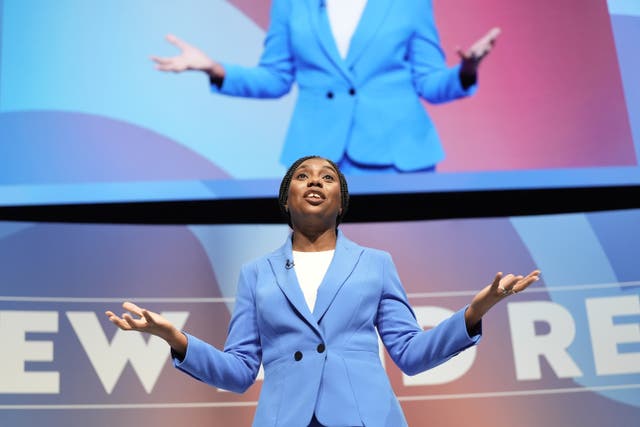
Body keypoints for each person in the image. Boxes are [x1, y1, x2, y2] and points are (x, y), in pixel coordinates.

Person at [106, 155, 540, 427]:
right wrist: (176, 339)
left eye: (327, 177)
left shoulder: (375, 263)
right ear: (286, 198)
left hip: (366, 418)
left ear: (341, 202)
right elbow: (239, 372)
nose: (315, 182)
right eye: (302, 176)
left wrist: (473, 313)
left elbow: (411, 353)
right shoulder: (256, 274)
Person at [151, 1, 500, 174]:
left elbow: (430, 82)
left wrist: (466, 71)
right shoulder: (291, 4)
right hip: (318, 163)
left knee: (413, 270)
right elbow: (275, 78)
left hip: (399, 157)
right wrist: (214, 69)